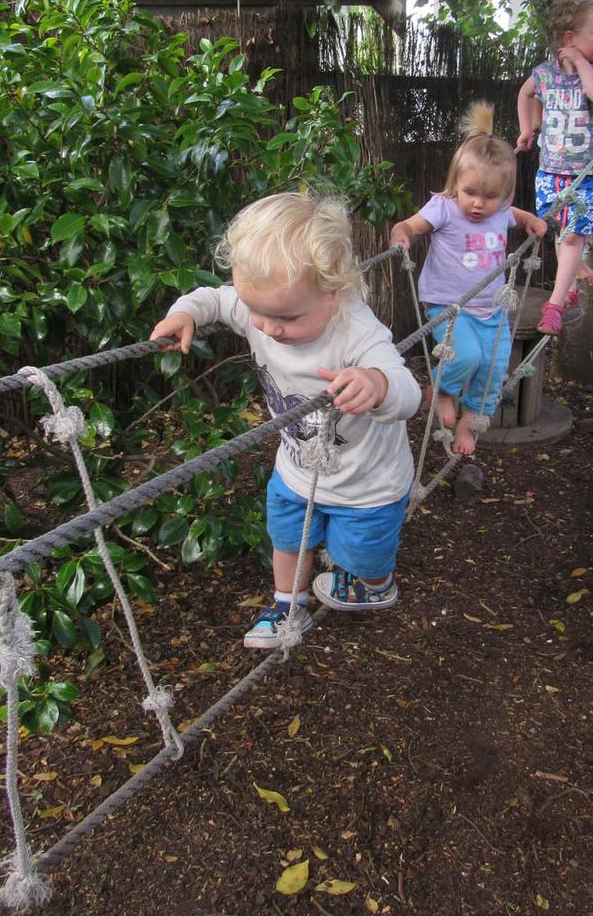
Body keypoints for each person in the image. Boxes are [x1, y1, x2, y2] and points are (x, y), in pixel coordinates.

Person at [150, 193, 421, 650]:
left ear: (333, 293)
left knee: (364, 555)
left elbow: (408, 391)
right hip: (296, 467)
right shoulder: (263, 305)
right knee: (288, 538)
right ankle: (287, 606)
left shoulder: (358, 332)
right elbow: (216, 299)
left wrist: (377, 384)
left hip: (366, 483)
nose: (268, 328)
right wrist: (185, 312)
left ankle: (376, 585)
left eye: (287, 318)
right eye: (258, 312)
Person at [389, 102, 547, 457]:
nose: (479, 204)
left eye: (490, 197)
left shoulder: (500, 212)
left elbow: (515, 215)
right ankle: (442, 391)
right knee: (465, 357)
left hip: (491, 310)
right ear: (455, 184)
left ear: (503, 195)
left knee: (492, 368)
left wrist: (531, 221)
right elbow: (411, 225)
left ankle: (469, 421)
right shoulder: (443, 207)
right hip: (450, 307)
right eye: (471, 193)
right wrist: (401, 233)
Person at [516, 0, 593, 334]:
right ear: (570, 38)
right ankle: (568, 288)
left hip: (586, 175)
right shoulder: (544, 75)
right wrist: (529, 128)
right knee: (561, 232)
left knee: (570, 238)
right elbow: (525, 94)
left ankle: (554, 304)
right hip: (549, 171)